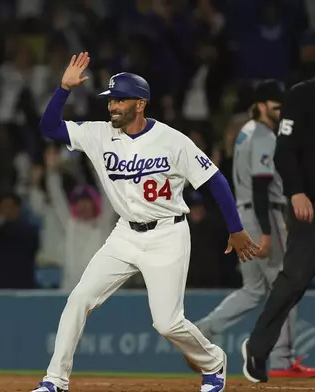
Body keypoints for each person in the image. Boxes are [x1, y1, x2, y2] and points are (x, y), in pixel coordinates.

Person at [30, 53, 261, 392]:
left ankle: (213, 362)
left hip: (167, 233)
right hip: (124, 234)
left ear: (140, 104)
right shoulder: (99, 134)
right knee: (79, 299)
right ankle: (55, 381)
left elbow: (215, 180)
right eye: (110, 101)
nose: (112, 107)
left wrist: (236, 228)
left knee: (167, 323)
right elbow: (49, 128)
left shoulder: (172, 140)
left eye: (120, 100)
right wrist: (63, 89)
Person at [194, 80, 315, 378]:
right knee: (285, 285)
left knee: (254, 289)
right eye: (276, 104)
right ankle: (282, 359)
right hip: (264, 215)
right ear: (261, 105)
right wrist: (265, 232)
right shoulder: (263, 135)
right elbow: (262, 186)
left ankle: (204, 329)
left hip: (243, 213)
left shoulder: (245, 132)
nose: (281, 109)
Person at [242, 76, 315, 383]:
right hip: (308, 205)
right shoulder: (303, 95)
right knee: (295, 279)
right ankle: (258, 349)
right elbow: (284, 151)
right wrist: (296, 192)